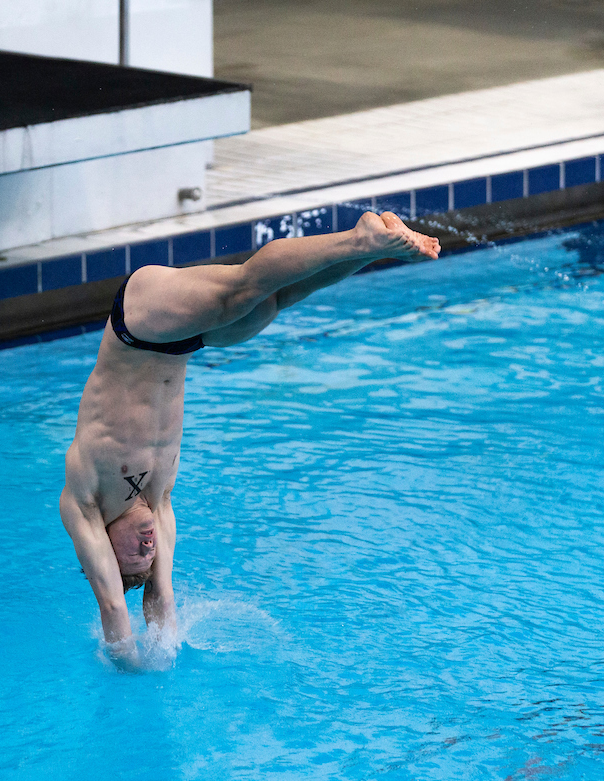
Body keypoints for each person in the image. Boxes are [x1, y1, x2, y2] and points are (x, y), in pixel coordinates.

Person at [59, 211, 440, 667]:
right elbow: (160, 598)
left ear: (102, 544)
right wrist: (162, 658)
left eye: (132, 554)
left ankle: (359, 238)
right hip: (183, 340)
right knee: (274, 302)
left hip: (137, 325)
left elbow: (114, 606)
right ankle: (376, 245)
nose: (147, 547)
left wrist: (129, 667)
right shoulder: (159, 503)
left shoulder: (86, 500)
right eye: (148, 554)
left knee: (241, 291)